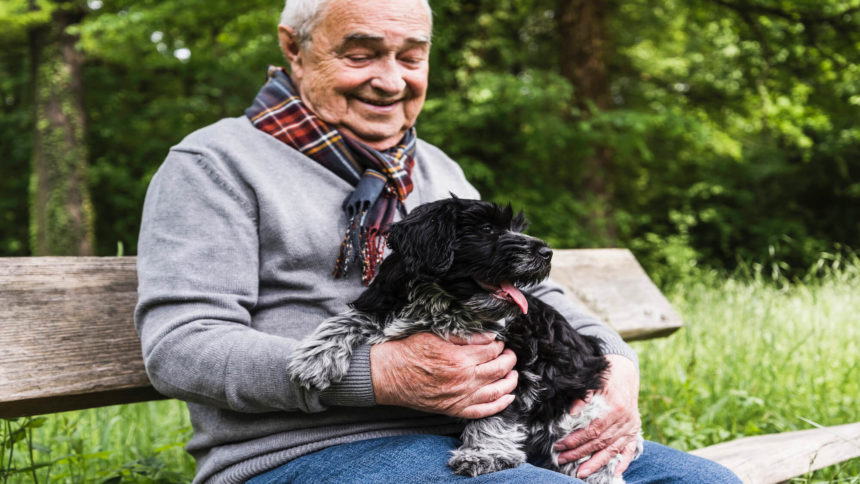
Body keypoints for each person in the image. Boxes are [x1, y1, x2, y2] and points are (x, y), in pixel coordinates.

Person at [134, 0, 742, 482]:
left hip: (486, 433)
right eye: (361, 53)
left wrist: (616, 365)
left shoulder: (434, 168)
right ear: (294, 48)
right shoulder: (214, 165)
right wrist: (376, 374)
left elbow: (535, 293)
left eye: (411, 56)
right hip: (303, 452)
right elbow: (182, 345)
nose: (390, 80)